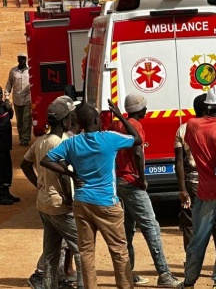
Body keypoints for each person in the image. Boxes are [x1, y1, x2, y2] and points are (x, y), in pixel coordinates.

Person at [40, 100, 143, 289]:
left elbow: (46, 161)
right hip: (107, 203)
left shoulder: (71, 143)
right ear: (96, 120)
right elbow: (137, 139)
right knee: (119, 251)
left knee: (86, 252)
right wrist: (121, 116)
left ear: (78, 122)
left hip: (82, 202)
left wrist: (71, 173)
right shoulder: (109, 138)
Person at [108, 93, 180, 287]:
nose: (147, 110)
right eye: (144, 108)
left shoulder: (115, 125)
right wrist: (142, 177)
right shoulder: (136, 126)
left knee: (127, 230)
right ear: (139, 110)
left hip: (118, 181)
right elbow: (138, 150)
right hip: (132, 181)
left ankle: (127, 273)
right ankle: (164, 274)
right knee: (151, 227)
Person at [178, 85, 216, 289]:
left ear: (207, 105)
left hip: (205, 192)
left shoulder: (192, 125)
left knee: (199, 237)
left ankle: (189, 281)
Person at [20, 102, 83, 289]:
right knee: (81, 246)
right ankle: (83, 284)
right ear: (65, 121)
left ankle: (49, 285)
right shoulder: (62, 143)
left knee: (51, 250)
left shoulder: (41, 141)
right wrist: (70, 200)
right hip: (59, 204)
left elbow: (25, 165)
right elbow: (64, 174)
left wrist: (39, 185)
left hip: (44, 202)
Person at [176, 93, 209, 252]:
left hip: (191, 182)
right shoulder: (214, 127)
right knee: (215, 222)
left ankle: (191, 258)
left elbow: (179, 161)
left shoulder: (182, 129)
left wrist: (182, 189)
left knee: (189, 220)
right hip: (211, 182)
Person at [4, 52, 31, 146]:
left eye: (24, 58)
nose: (22, 60)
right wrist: (6, 98)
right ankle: (21, 138)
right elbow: (9, 84)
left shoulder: (30, 70)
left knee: (27, 118)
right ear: (18, 59)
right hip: (17, 99)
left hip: (28, 98)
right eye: (21, 58)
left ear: (26, 59)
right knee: (19, 120)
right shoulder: (13, 71)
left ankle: (26, 139)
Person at [0, 97, 16, 205]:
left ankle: (6, 192)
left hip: (5, 145)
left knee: (7, 170)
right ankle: (1, 196)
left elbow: (10, 117)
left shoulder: (3, 106)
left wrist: (10, 109)